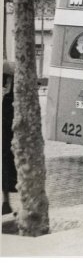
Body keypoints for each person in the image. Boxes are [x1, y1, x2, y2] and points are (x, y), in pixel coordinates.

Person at [3, 62, 17, 216]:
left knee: (8, 173)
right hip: (10, 141)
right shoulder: (10, 98)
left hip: (8, 141)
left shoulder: (9, 98)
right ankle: (7, 203)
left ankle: (7, 203)